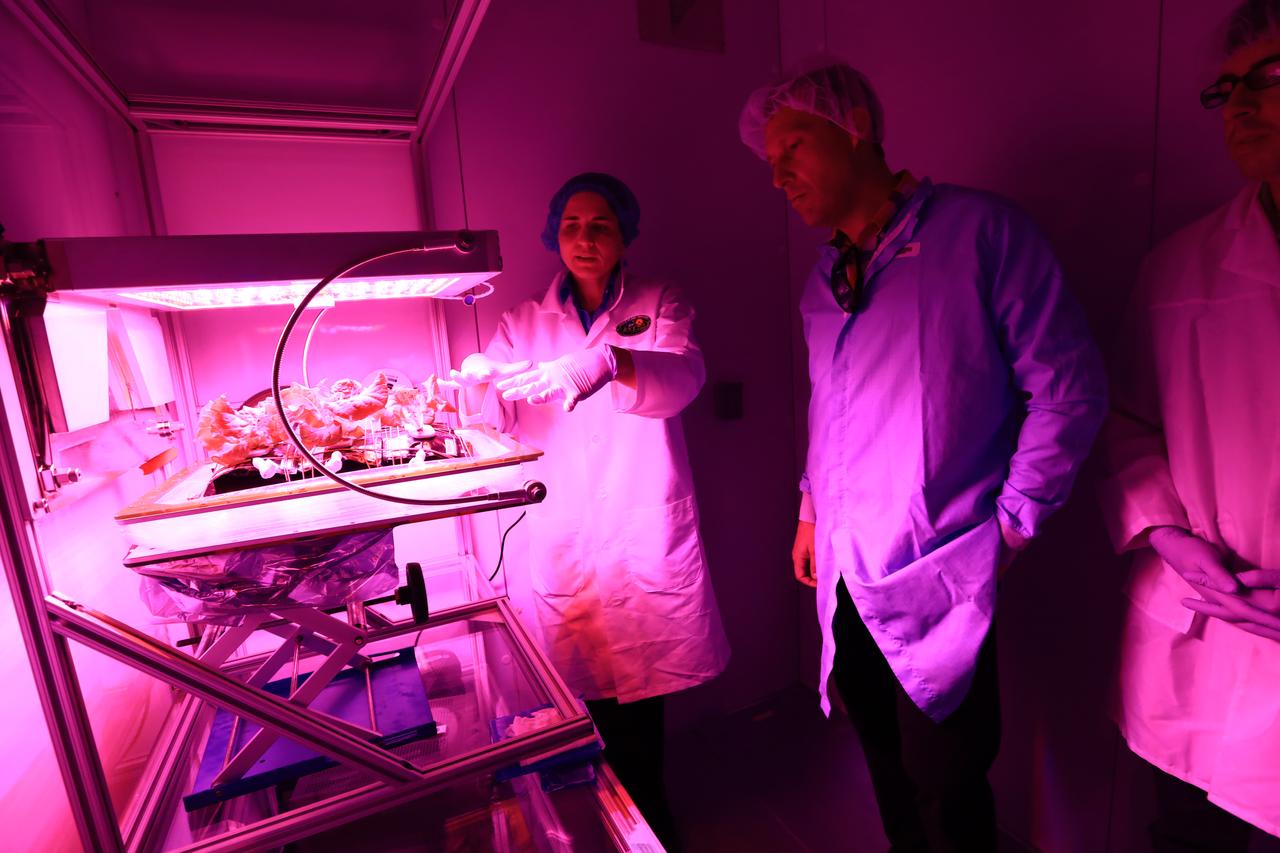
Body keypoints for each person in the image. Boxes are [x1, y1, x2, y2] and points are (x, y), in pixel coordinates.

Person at [739, 63, 1107, 850]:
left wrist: (1012, 526)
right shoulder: (823, 280)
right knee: (886, 768)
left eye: (793, 147)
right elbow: (828, 409)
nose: (778, 176)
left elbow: (1069, 389)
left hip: (943, 564)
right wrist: (811, 511)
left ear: (855, 128)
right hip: (846, 564)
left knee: (949, 785)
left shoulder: (980, 234)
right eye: (770, 161)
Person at [446, 172, 728, 848]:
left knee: (641, 708)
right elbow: (499, 418)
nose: (584, 238)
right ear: (554, 234)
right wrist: (479, 380)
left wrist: (606, 361)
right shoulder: (523, 319)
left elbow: (682, 378)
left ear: (624, 233)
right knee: (580, 701)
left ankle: (652, 822)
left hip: (639, 521)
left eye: (600, 224)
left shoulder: (660, 300)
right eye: (571, 225)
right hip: (565, 527)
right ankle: (601, 824)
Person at [1100, 1, 1280, 845]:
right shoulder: (1178, 266)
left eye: (1270, 78)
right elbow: (1127, 419)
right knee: (1184, 828)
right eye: (1227, 88)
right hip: (1197, 625)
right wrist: (1165, 532)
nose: (1240, 104)